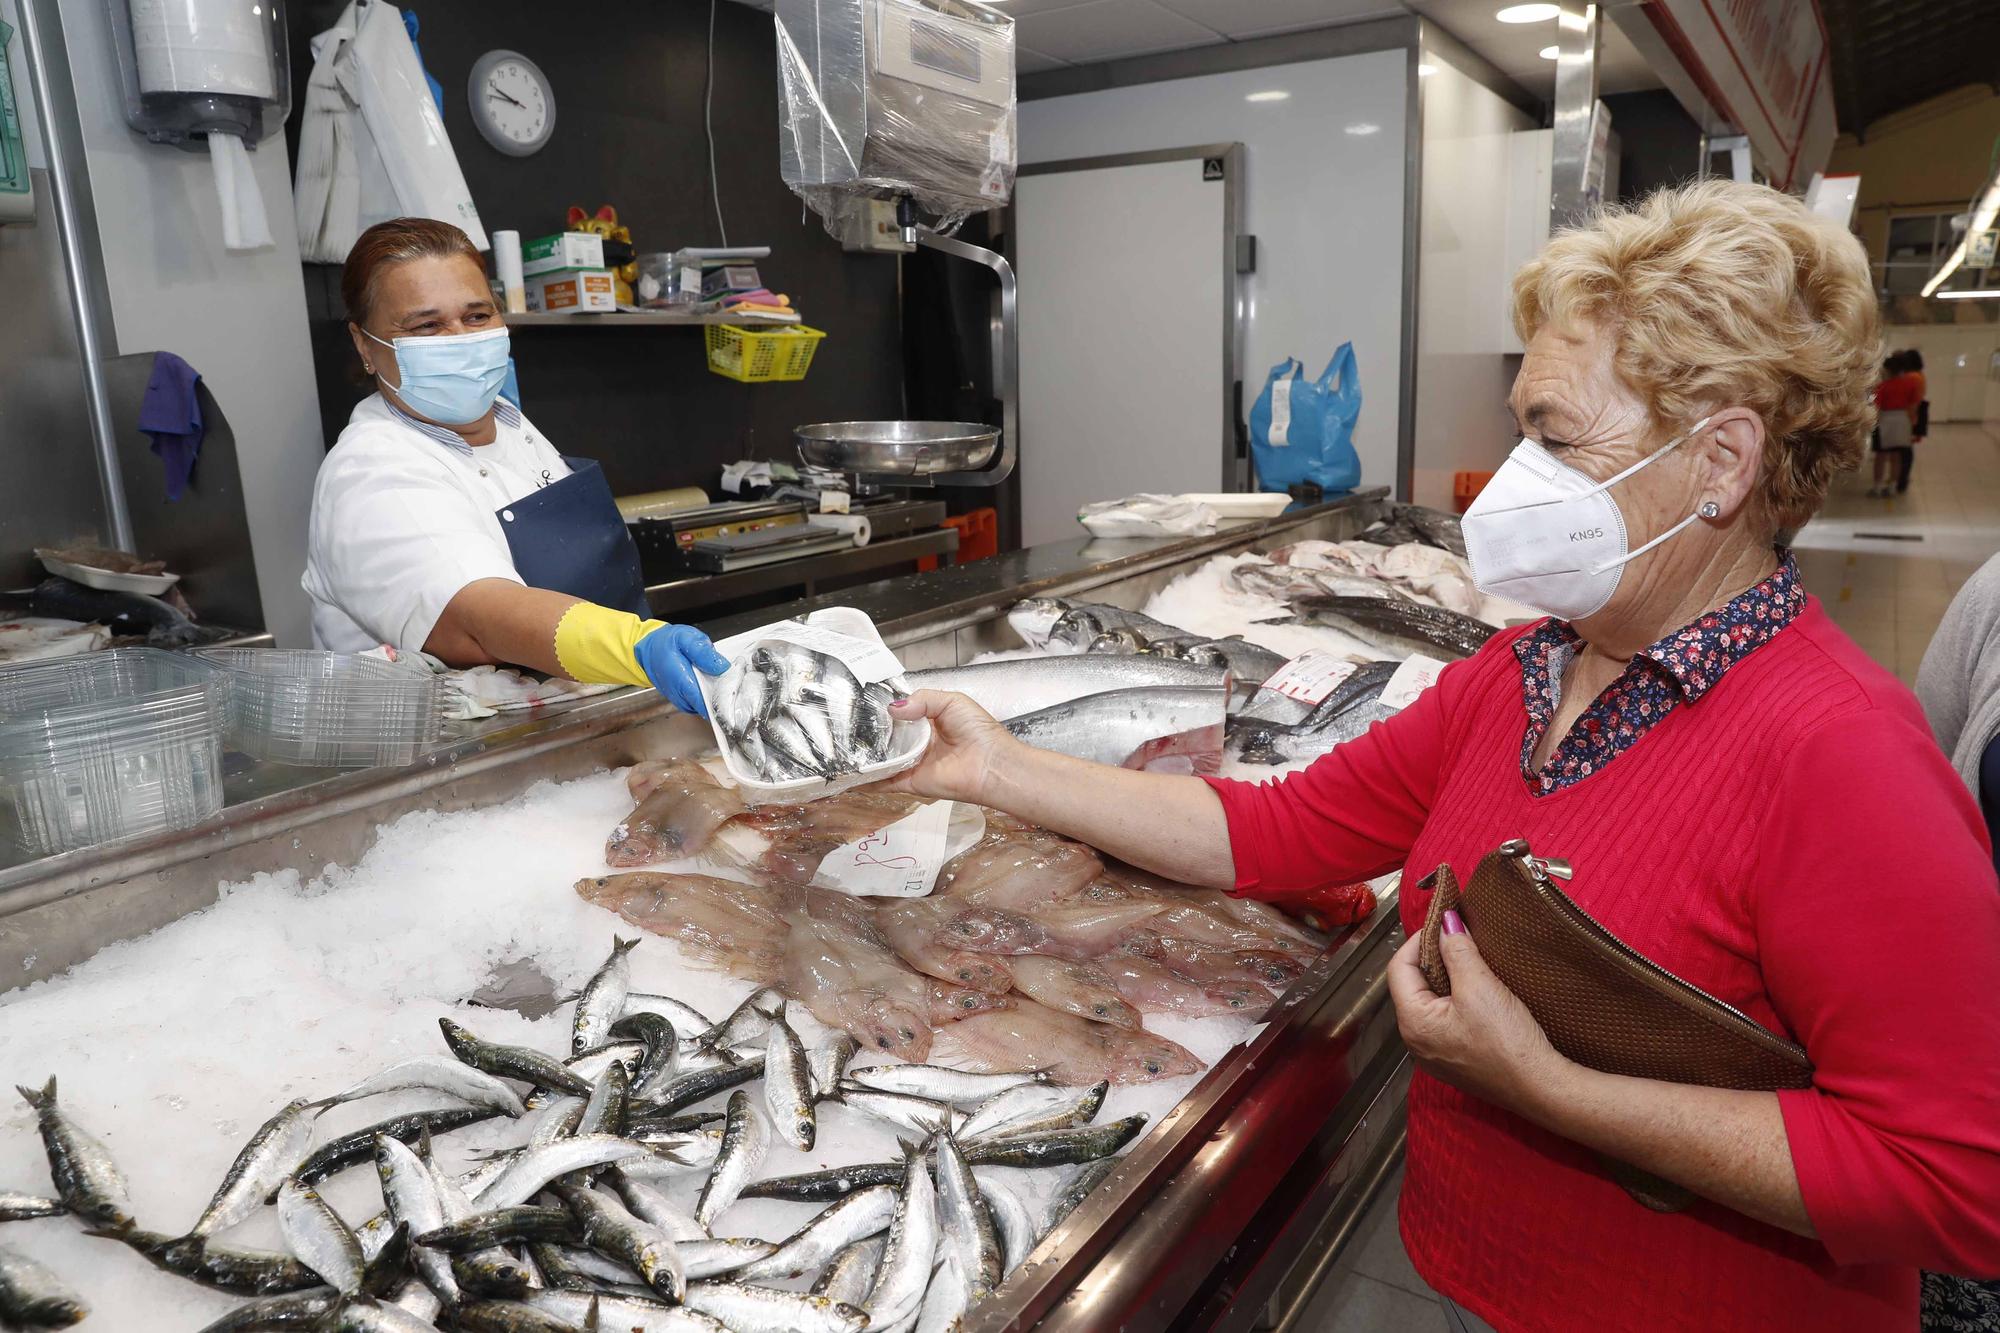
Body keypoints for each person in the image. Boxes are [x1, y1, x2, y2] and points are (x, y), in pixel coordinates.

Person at [888, 180, 2000, 1331]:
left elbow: (1954, 1181)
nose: (1512, 473)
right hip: (1469, 1281)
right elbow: (1268, 830)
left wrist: (1552, 1089)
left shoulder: (1842, 755)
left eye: (1553, 436)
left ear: (1719, 463)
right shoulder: (1519, 673)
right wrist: (995, 767)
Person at [302, 218, 727, 713]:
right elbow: (482, 619)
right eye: (426, 325)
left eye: (477, 315)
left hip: (562, 721)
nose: (460, 338)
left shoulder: (509, 422)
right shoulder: (369, 473)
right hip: (438, 762)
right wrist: (633, 645)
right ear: (364, 344)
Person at [1869, 350, 1919, 498]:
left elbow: (1877, 407)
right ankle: (1892, 486)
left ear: (1888, 370)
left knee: (1881, 456)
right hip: (1902, 419)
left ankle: (1877, 487)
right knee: (1896, 455)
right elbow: (1913, 404)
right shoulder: (1910, 384)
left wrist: (1873, 424)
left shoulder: (1883, 386)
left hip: (1885, 419)